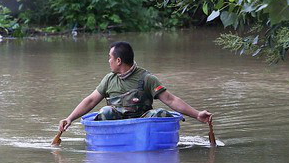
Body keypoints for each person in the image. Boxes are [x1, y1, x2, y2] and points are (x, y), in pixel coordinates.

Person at [58, 41, 212, 132]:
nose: (108, 61)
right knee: (105, 111)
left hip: (143, 126)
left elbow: (171, 100)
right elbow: (91, 101)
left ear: (118, 61)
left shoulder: (147, 79)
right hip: (117, 128)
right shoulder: (109, 79)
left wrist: (197, 114)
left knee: (162, 114)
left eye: (110, 58)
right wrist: (70, 118)